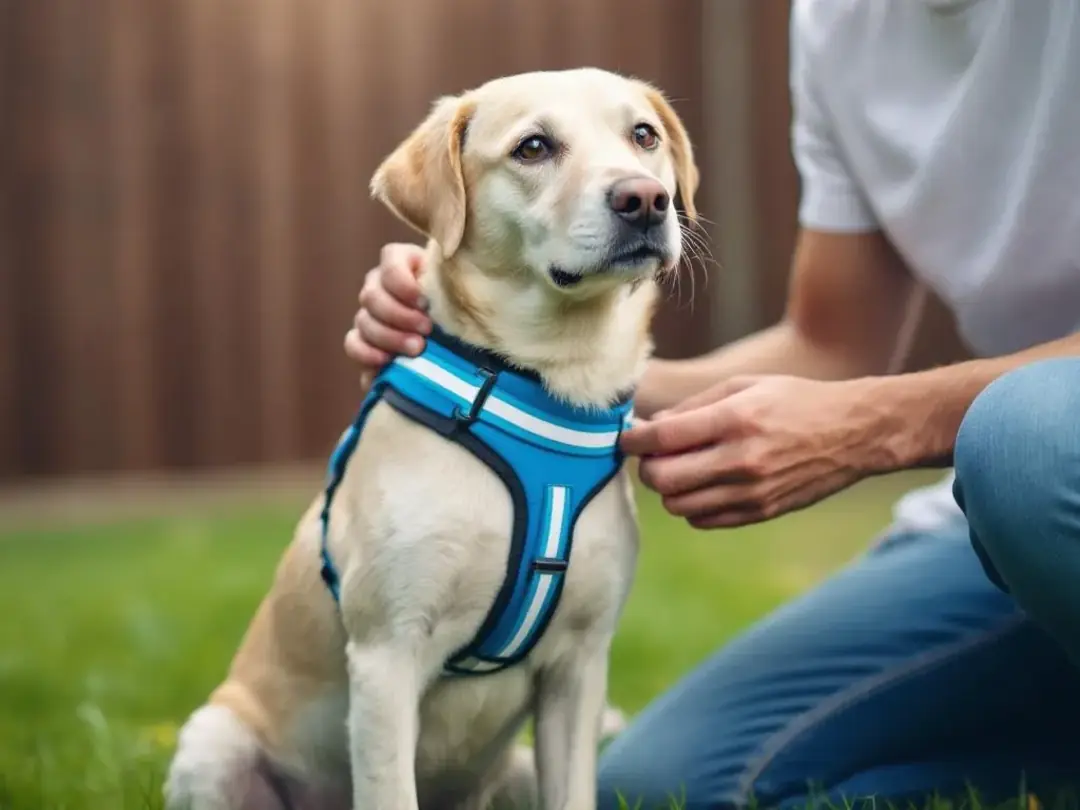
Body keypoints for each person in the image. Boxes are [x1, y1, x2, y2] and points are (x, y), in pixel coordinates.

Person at [343, 1, 1080, 807]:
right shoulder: (841, 21)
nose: (637, 189)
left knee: (1022, 441)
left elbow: (900, 405)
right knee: (671, 785)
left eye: (641, 144)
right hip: (1005, 528)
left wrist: (885, 423)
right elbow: (833, 349)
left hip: (1041, 472)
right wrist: (493, 357)